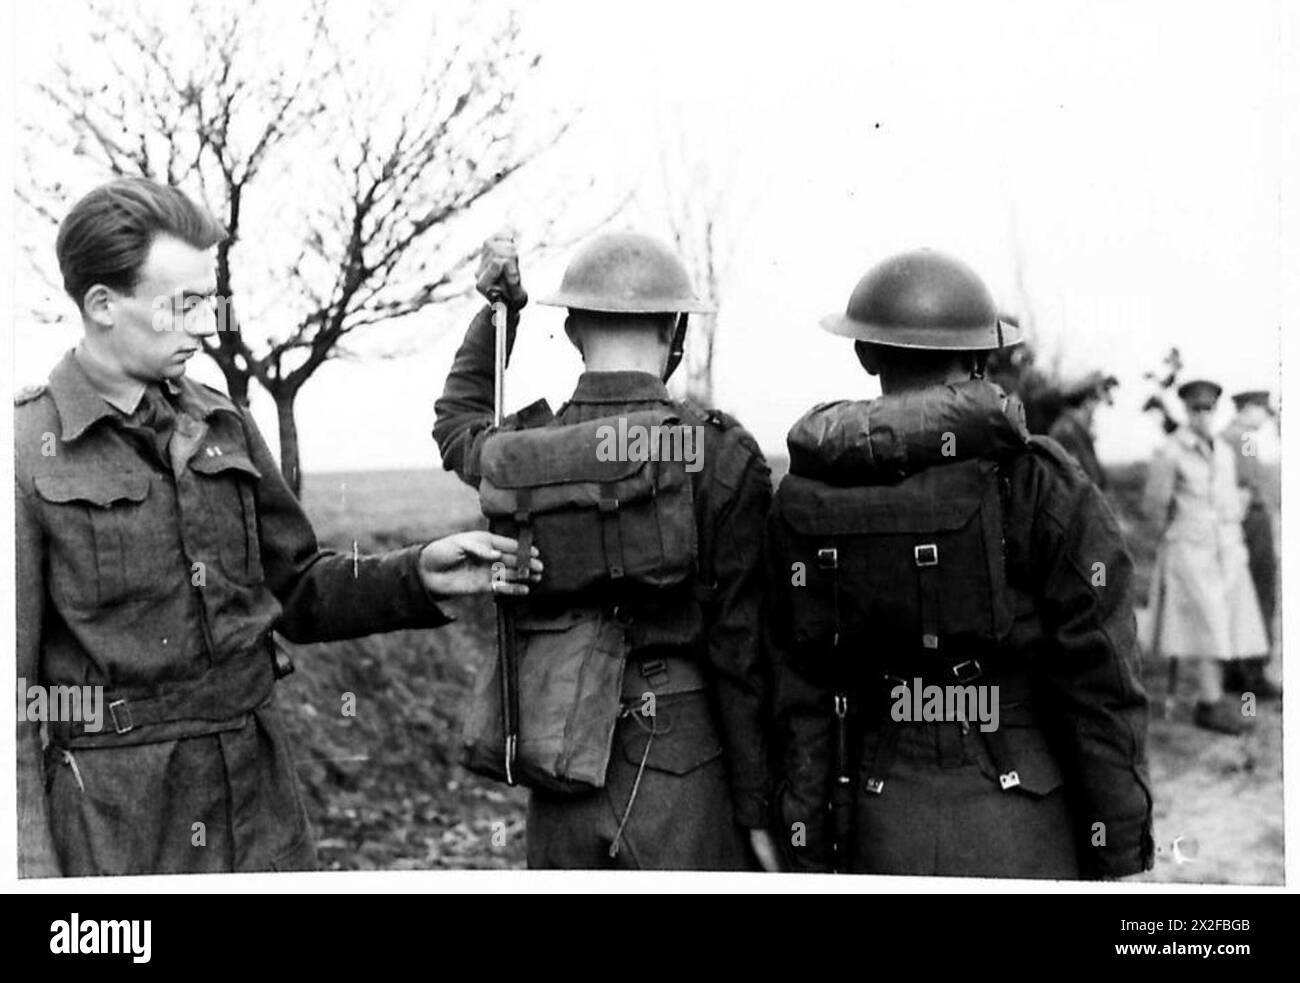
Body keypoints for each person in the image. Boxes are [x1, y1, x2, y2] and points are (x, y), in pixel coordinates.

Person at [16, 177, 540, 877]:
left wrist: (417, 572)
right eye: (184, 304)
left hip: (258, 807)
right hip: (120, 828)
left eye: (209, 299)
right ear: (103, 305)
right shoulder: (24, 450)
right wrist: (28, 870)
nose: (206, 325)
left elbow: (296, 586)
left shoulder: (220, 421)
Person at [765, 248, 1153, 878]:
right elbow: (1101, 675)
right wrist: (1122, 842)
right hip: (1024, 819)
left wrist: (803, 838)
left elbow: (799, 682)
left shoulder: (805, 497)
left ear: (865, 353)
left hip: (877, 817)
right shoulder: (1039, 481)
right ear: (982, 355)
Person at [434, 231, 779, 871]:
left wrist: (496, 319)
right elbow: (742, 653)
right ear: (675, 329)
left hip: (561, 759)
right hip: (684, 758)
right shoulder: (718, 453)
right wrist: (759, 811)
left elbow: (456, 423)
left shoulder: (523, 451)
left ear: (570, 331)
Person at [1144, 380, 1271, 733]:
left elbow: (1230, 500)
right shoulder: (1171, 451)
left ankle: (1217, 696)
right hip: (1190, 549)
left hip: (1226, 550)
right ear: (1185, 411)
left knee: (1229, 624)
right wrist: (1170, 540)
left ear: (1216, 411)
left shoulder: (1225, 453)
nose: (1202, 416)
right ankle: (1209, 703)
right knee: (1210, 625)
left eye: (1208, 409)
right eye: (1195, 409)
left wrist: (1236, 539)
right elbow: (1155, 507)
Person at [1220, 389, 1279, 699]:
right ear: (1248, 408)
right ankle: (1251, 674)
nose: (1265, 417)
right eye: (1262, 410)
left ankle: (1235, 671)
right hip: (1250, 520)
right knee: (1259, 592)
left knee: (1241, 596)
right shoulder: (1242, 438)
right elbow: (1243, 487)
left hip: (1238, 523)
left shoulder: (1227, 435)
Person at [1048, 370, 1117, 489]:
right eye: (1096, 402)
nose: (1094, 412)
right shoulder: (1066, 432)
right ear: (1087, 402)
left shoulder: (1077, 432)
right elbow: (1076, 486)